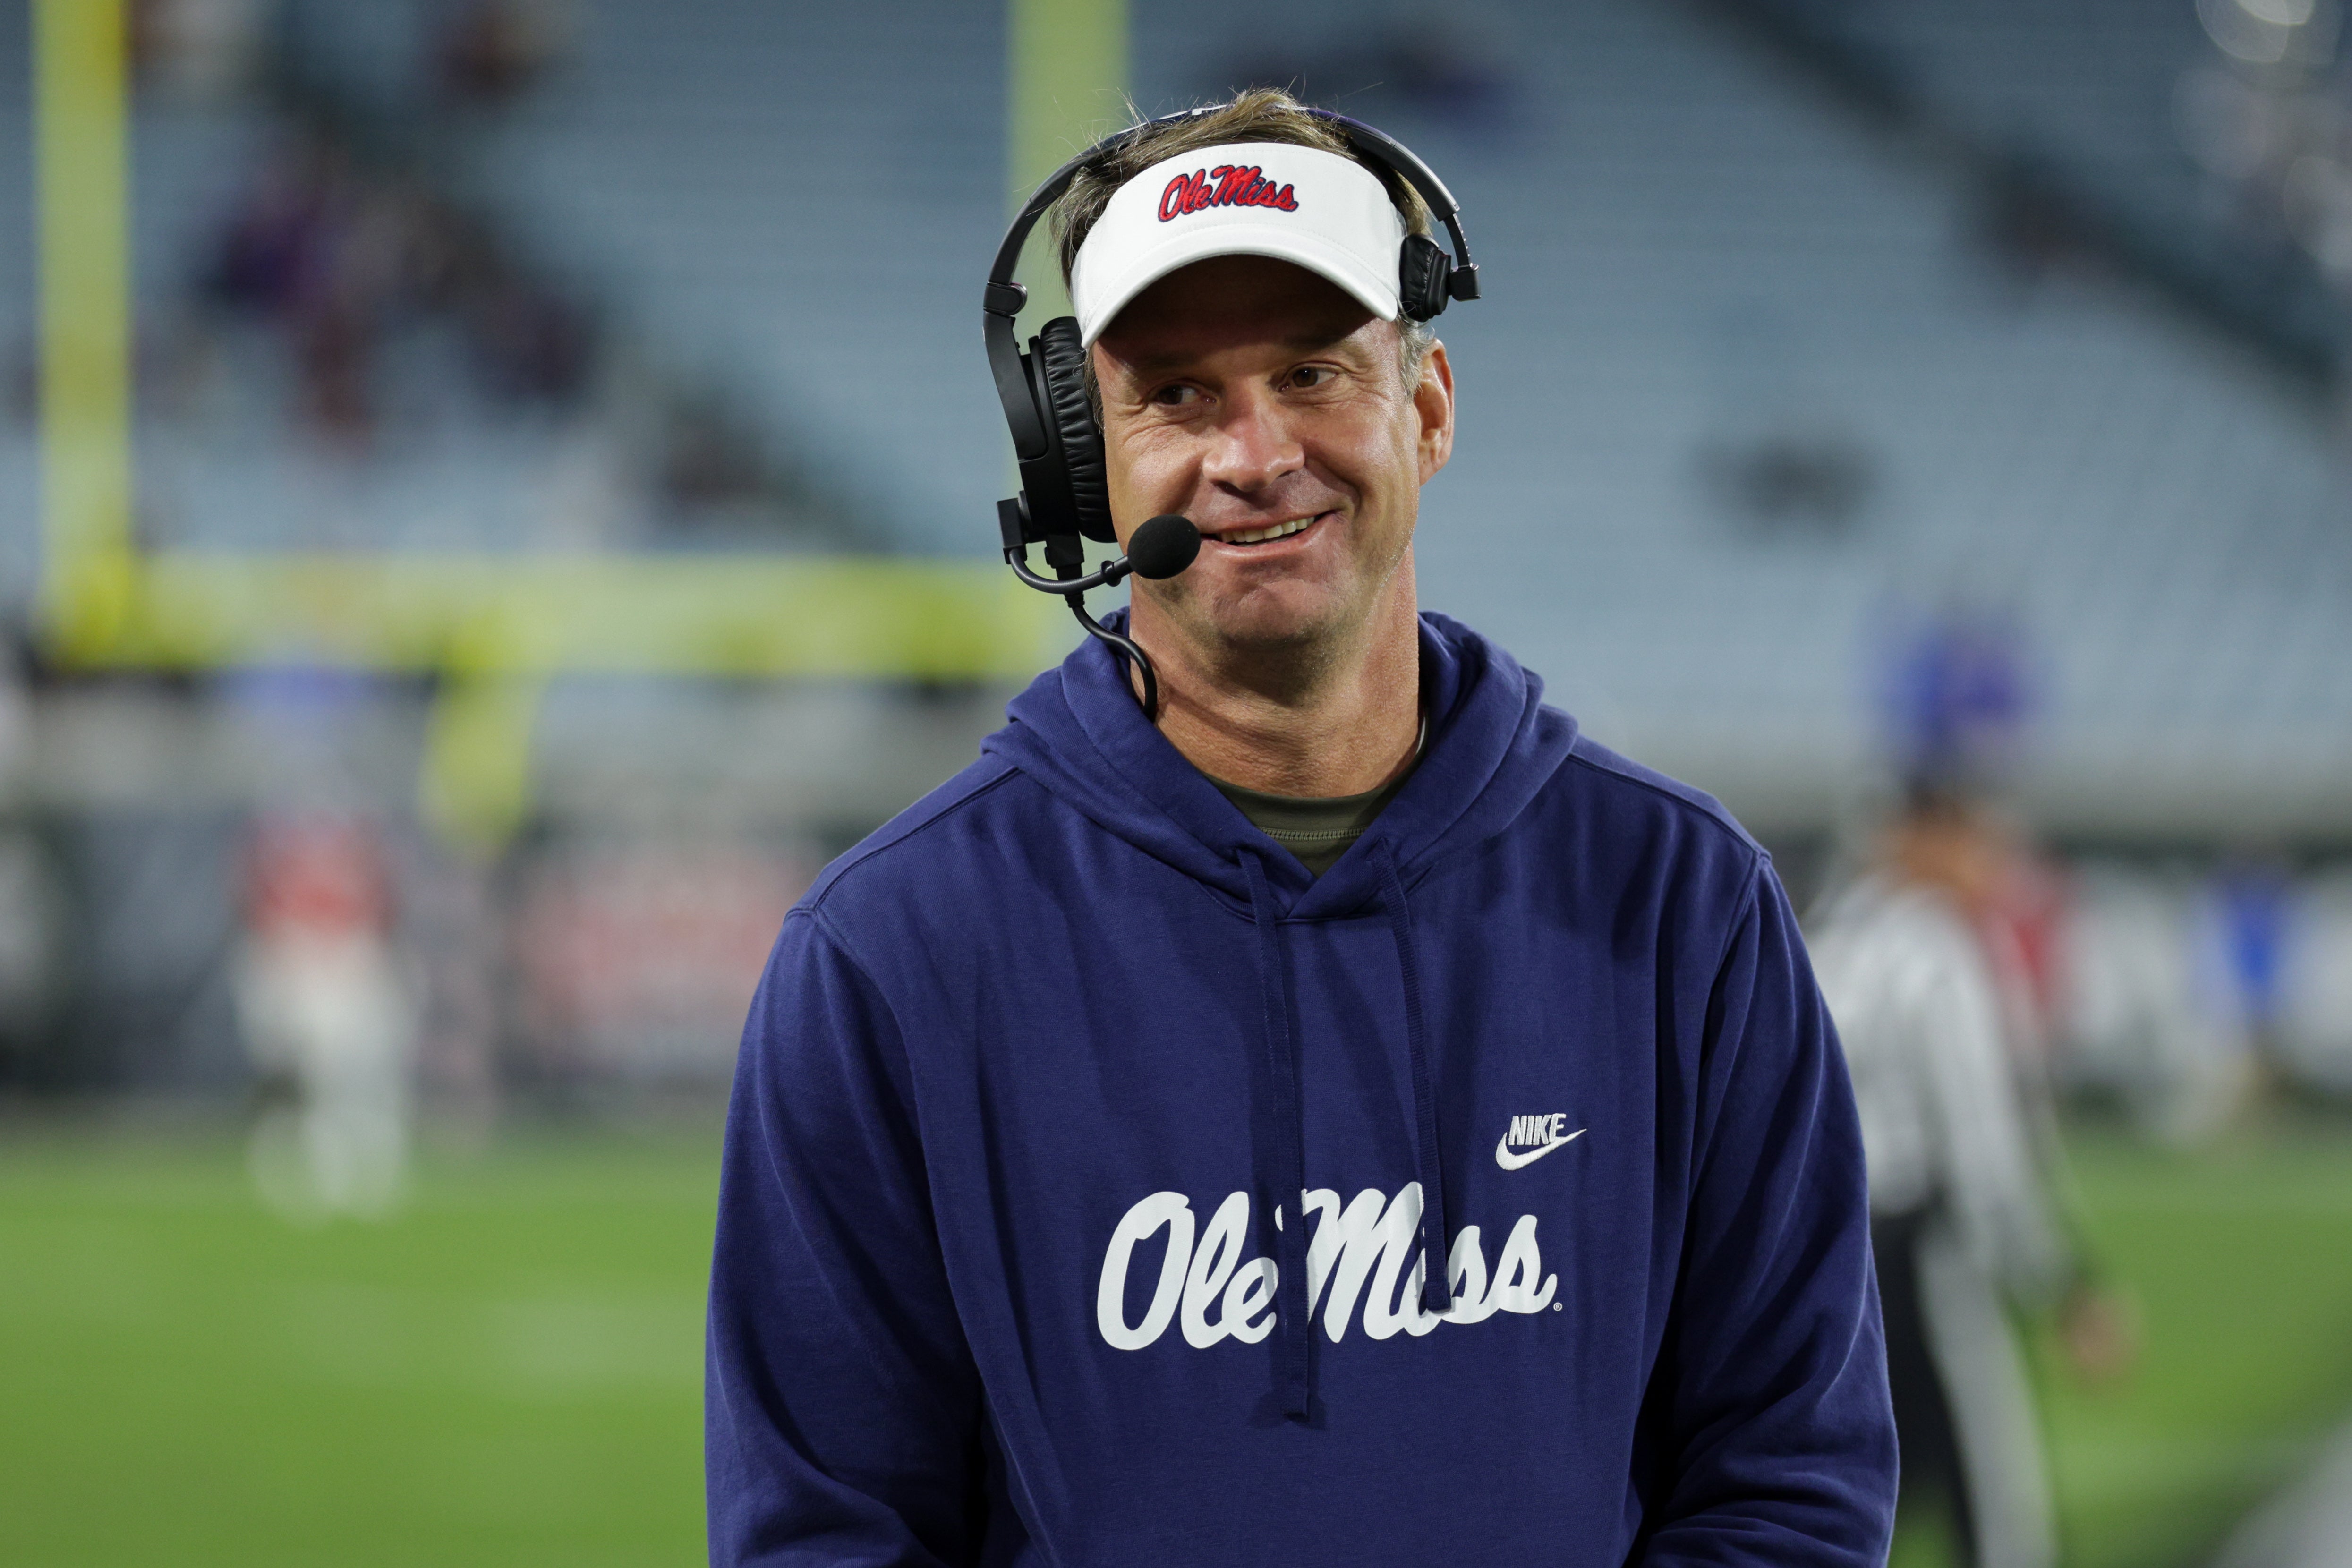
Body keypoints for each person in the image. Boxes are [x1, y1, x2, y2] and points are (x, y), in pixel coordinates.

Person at [706, 92, 1895, 1566]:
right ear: (1085, 468)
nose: (1254, 453)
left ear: (1431, 406)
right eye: (1178, 395)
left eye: (1312, 372)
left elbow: (1789, 1485)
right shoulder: (889, 953)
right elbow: (827, 1535)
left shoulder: (1682, 904)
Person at [1809, 784, 2134, 1568]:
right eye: (1976, 839)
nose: (1990, 863)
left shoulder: (1815, 930)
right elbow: (1982, 1145)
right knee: (1990, 1495)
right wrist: (2064, 1284)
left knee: (1839, 1487)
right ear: (1930, 835)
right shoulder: (1934, 949)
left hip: (1818, 1260)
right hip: (1919, 1252)